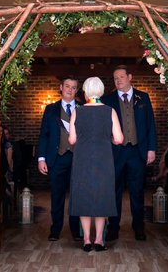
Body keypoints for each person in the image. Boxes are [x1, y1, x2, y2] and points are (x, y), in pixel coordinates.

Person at [68, 76, 124, 252]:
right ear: (101, 91)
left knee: (83, 196)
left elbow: (72, 140)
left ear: (85, 91)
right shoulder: (110, 111)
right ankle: (99, 240)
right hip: (104, 159)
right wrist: (110, 140)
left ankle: (86, 239)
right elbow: (120, 138)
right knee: (102, 197)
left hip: (83, 159)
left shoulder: (78, 111)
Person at [103, 65, 157, 241]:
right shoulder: (108, 99)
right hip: (115, 153)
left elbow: (150, 126)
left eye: (121, 77)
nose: (118, 80)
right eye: (115, 78)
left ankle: (139, 227)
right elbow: (103, 127)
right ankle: (113, 228)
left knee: (137, 191)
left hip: (137, 151)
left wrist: (151, 149)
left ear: (130, 77)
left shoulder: (144, 98)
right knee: (114, 191)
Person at [37, 76, 83, 242]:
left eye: (74, 87)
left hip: (78, 159)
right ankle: (55, 230)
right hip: (57, 158)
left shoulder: (83, 108)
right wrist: (41, 158)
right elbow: (44, 135)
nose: (70, 90)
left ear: (77, 90)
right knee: (57, 196)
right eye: (67, 86)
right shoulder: (50, 109)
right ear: (61, 87)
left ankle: (76, 230)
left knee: (77, 196)